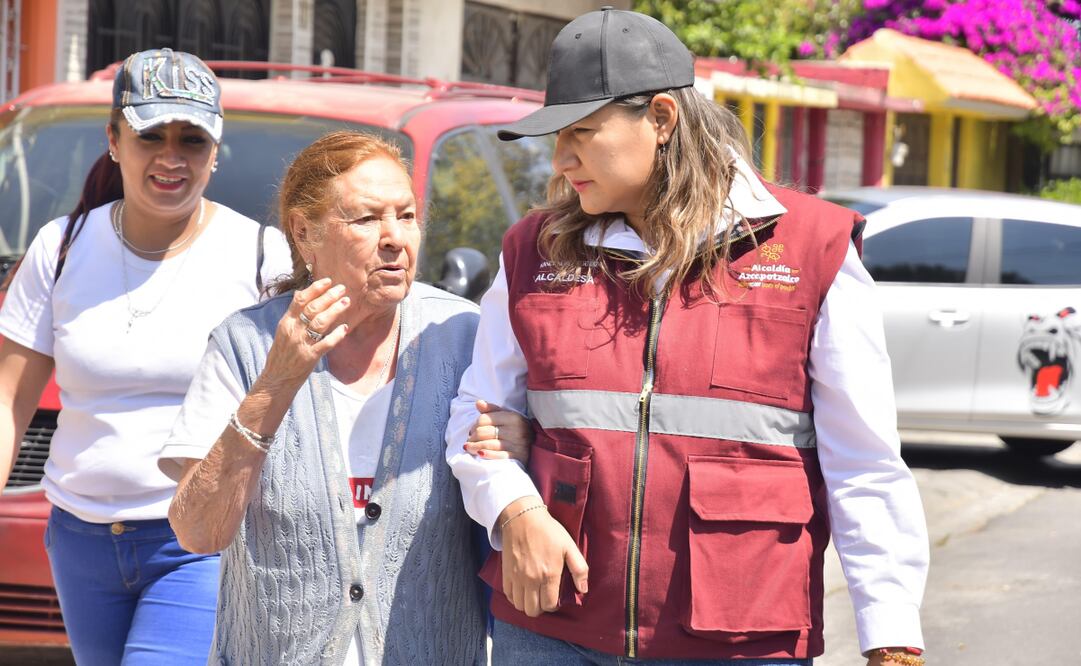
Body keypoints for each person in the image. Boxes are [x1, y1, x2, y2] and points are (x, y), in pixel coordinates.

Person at [446, 7, 929, 666]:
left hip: (740, 637)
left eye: (582, 133)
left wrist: (890, 632)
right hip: (554, 630)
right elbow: (476, 418)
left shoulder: (813, 250)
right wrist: (514, 510)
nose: (559, 160)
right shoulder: (532, 249)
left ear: (662, 120)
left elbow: (864, 462)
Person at [161, 130, 532, 665]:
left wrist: (522, 444)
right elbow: (199, 532)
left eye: (406, 216)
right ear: (304, 232)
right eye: (366, 219)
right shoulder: (243, 346)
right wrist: (276, 383)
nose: (395, 238)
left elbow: (518, 489)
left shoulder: (462, 336)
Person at [0, 48, 292, 664]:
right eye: (150, 135)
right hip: (78, 539)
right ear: (113, 140)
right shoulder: (60, 248)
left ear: (215, 151)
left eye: (191, 139)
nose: (170, 156)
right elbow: (9, 399)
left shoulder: (262, 258)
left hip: (198, 541)